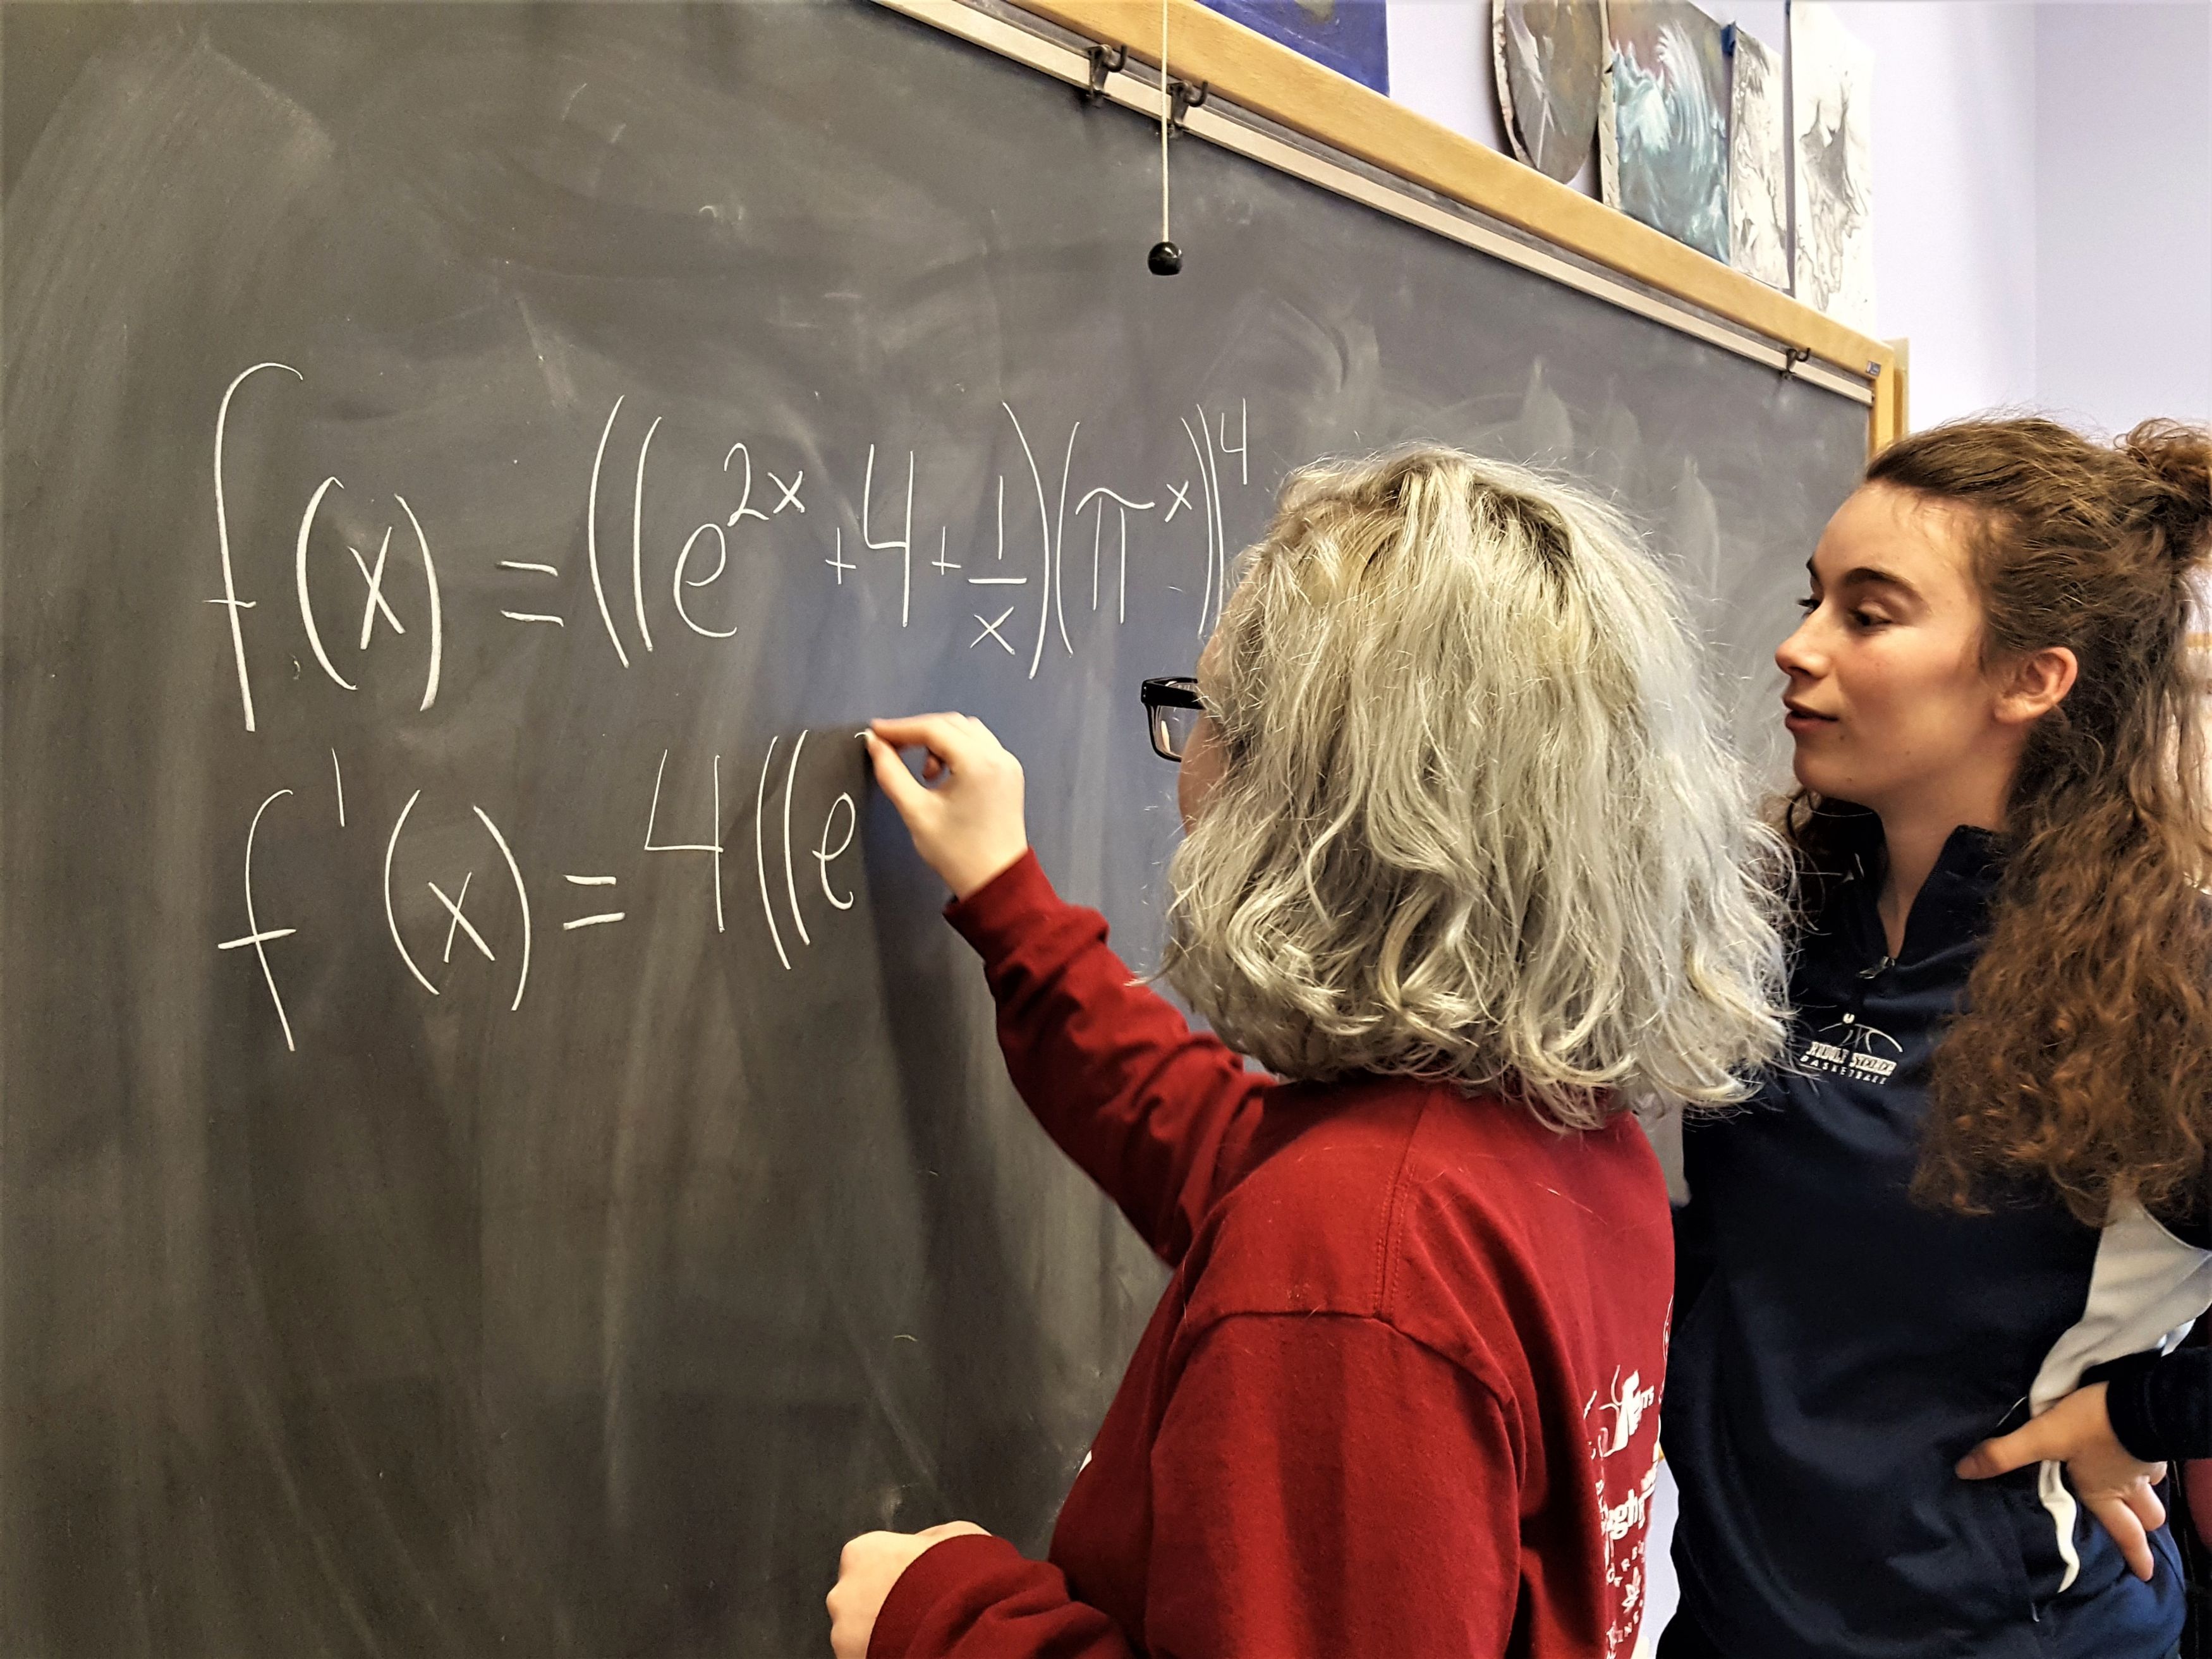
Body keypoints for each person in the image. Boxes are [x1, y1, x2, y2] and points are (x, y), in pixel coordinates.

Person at [822, 443, 1789, 1658]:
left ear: (1321, 793)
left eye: (1211, 719)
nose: (1189, 767)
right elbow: (1225, 1148)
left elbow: (1321, 1247)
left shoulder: (1358, 1255)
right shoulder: (1558, 1141)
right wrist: (1014, 908)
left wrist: (944, 1615)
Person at [1660, 417, 2212, 1659]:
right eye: (1816, 599)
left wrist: (2147, 1408)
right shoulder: (1776, 914)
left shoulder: (2170, 982)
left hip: (2006, 1632)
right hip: (1728, 1620)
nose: (1795, 646)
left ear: (2031, 676)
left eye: (1869, 613)